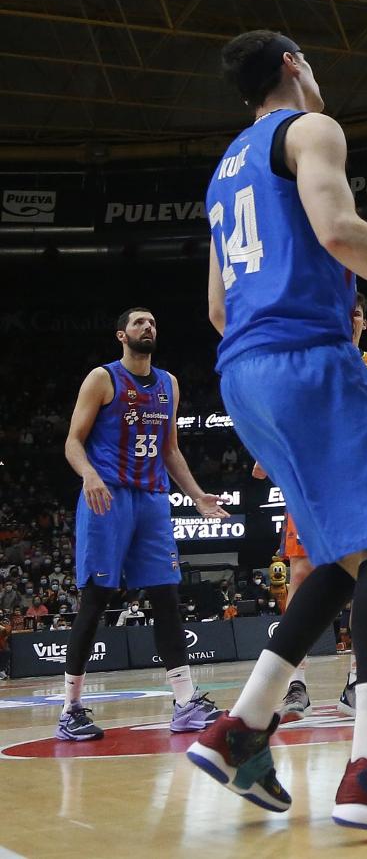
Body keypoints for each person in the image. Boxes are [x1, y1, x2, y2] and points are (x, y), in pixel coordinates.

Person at [186, 29, 367, 835]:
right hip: (307, 358)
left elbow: (216, 307)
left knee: (346, 561)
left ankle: (242, 728)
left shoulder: (223, 172)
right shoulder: (309, 129)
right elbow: (339, 230)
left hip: (243, 374)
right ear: (291, 65)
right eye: (310, 60)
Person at [58, 308, 226, 742]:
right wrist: (90, 475)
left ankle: (186, 704)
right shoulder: (103, 378)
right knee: (96, 597)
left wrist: (196, 494)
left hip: (152, 500)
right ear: (121, 335)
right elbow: (74, 442)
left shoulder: (169, 384)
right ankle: (70, 708)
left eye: (153, 321)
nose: (148, 326)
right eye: (138, 323)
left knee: (166, 597)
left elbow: (170, 450)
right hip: (107, 495)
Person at [260, 290, 367, 744]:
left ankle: (356, 681)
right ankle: (297, 686)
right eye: (344, 311)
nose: (350, 319)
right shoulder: (311, 361)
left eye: (357, 315)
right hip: (313, 483)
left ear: (364, 324)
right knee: (304, 573)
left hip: (365, 481)